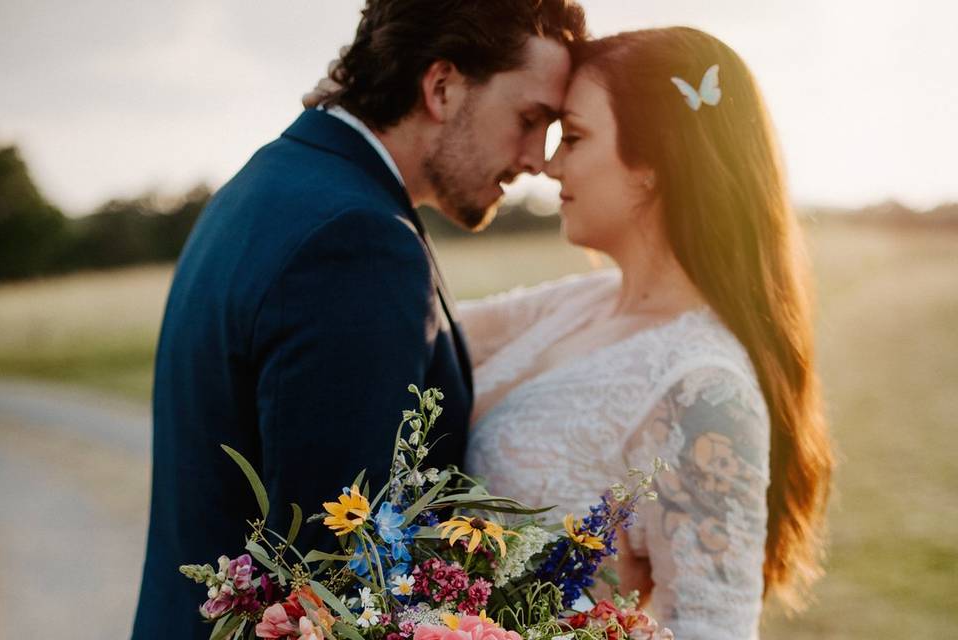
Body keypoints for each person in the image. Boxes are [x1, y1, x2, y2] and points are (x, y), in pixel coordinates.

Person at [131, 2, 587, 637]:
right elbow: (335, 579)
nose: (538, 157)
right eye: (531, 118)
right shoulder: (358, 240)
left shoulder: (269, 183)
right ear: (443, 87)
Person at [461, 28, 834, 639]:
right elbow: (416, 325)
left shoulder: (704, 389)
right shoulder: (581, 302)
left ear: (654, 166)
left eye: (574, 137)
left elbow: (710, 630)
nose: (550, 164)